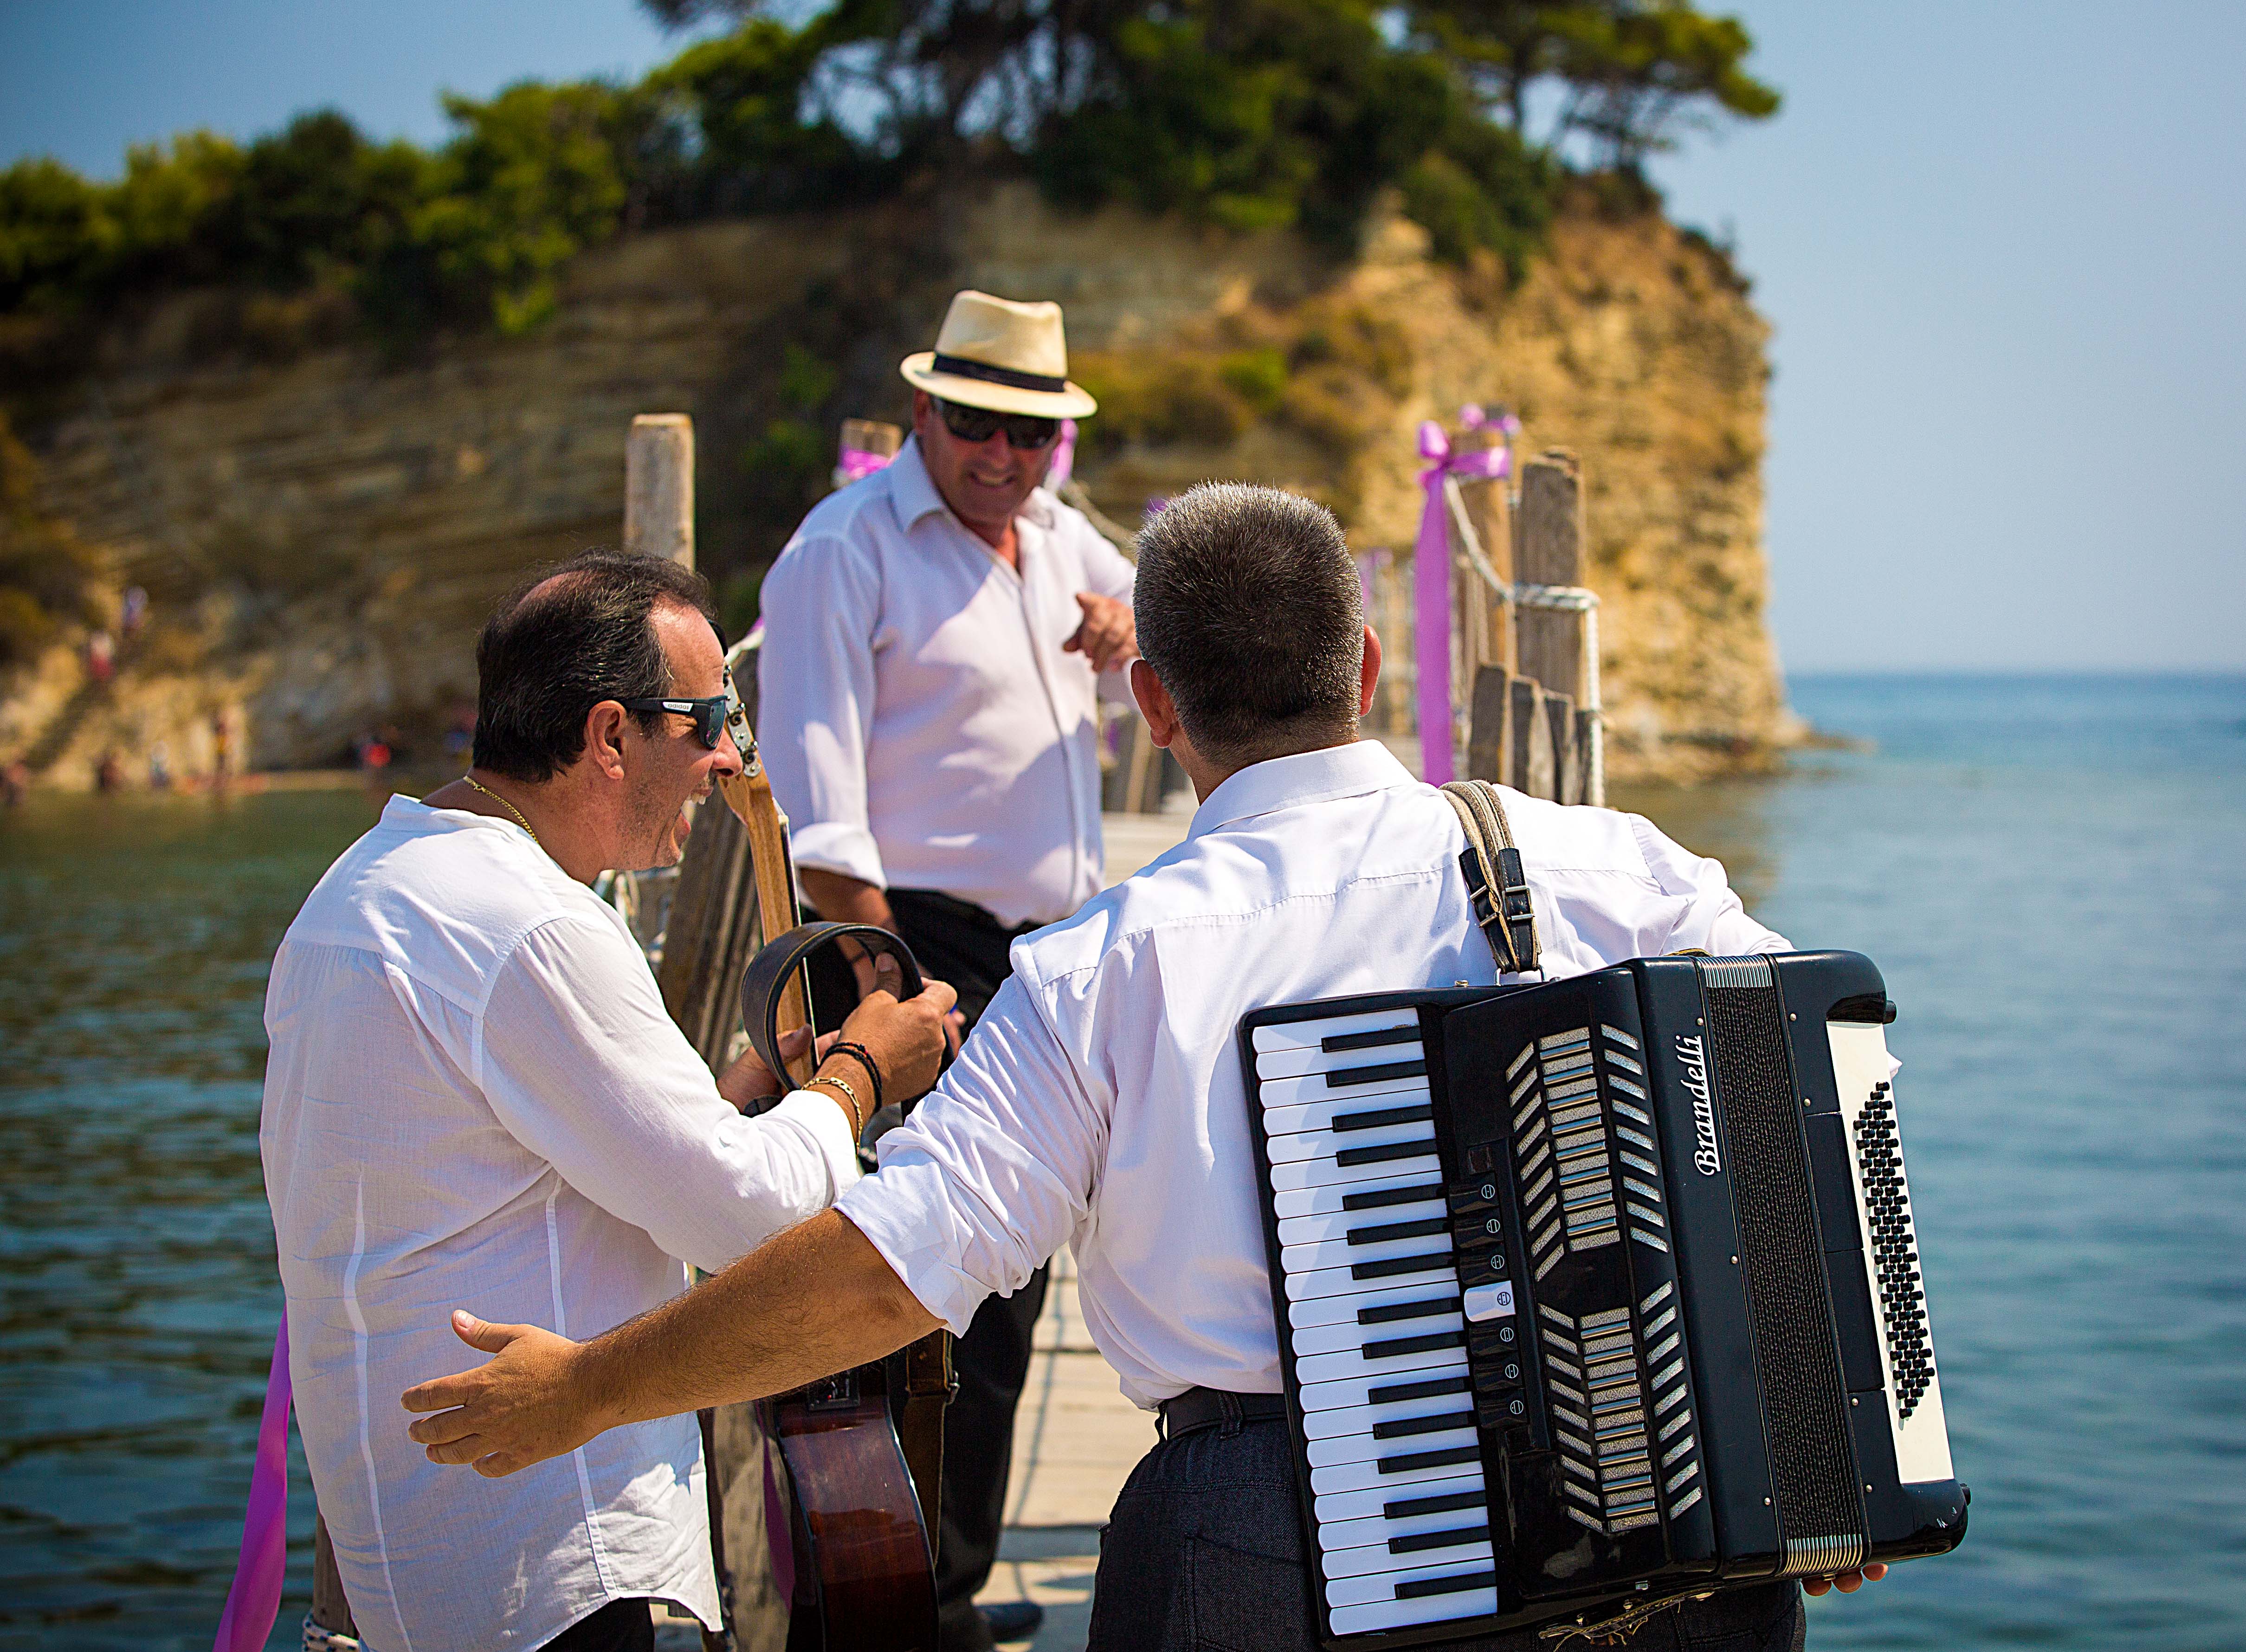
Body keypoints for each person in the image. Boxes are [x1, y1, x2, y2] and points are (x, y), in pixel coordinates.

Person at [404, 488, 1888, 1650]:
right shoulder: (1607, 862)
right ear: (1363, 668)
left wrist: (590, 1388)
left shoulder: (1095, 973)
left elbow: (883, 1278)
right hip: (1652, 1511)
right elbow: (1807, 1086)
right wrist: (1816, 1446)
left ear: (1153, 705)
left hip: (1267, 1543)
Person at [261, 549, 955, 1652]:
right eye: (711, 716)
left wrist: (746, 1090)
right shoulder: (533, 924)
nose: (729, 758)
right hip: (542, 1559)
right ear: (610, 735)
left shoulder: (359, 891)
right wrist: (862, 1070)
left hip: (413, 1557)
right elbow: (751, 1215)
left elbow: (515, 1162)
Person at [755, 286, 1135, 1648]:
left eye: (1032, 432)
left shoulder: (1052, 533)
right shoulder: (839, 551)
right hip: (910, 943)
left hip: (1044, 953)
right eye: (977, 422)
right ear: (924, 410)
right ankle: (866, 1614)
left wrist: (1118, 621)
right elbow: (815, 806)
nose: (1003, 454)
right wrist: (882, 986)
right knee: (898, 1290)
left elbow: (1153, 606)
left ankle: (947, 1595)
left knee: (1008, 1285)